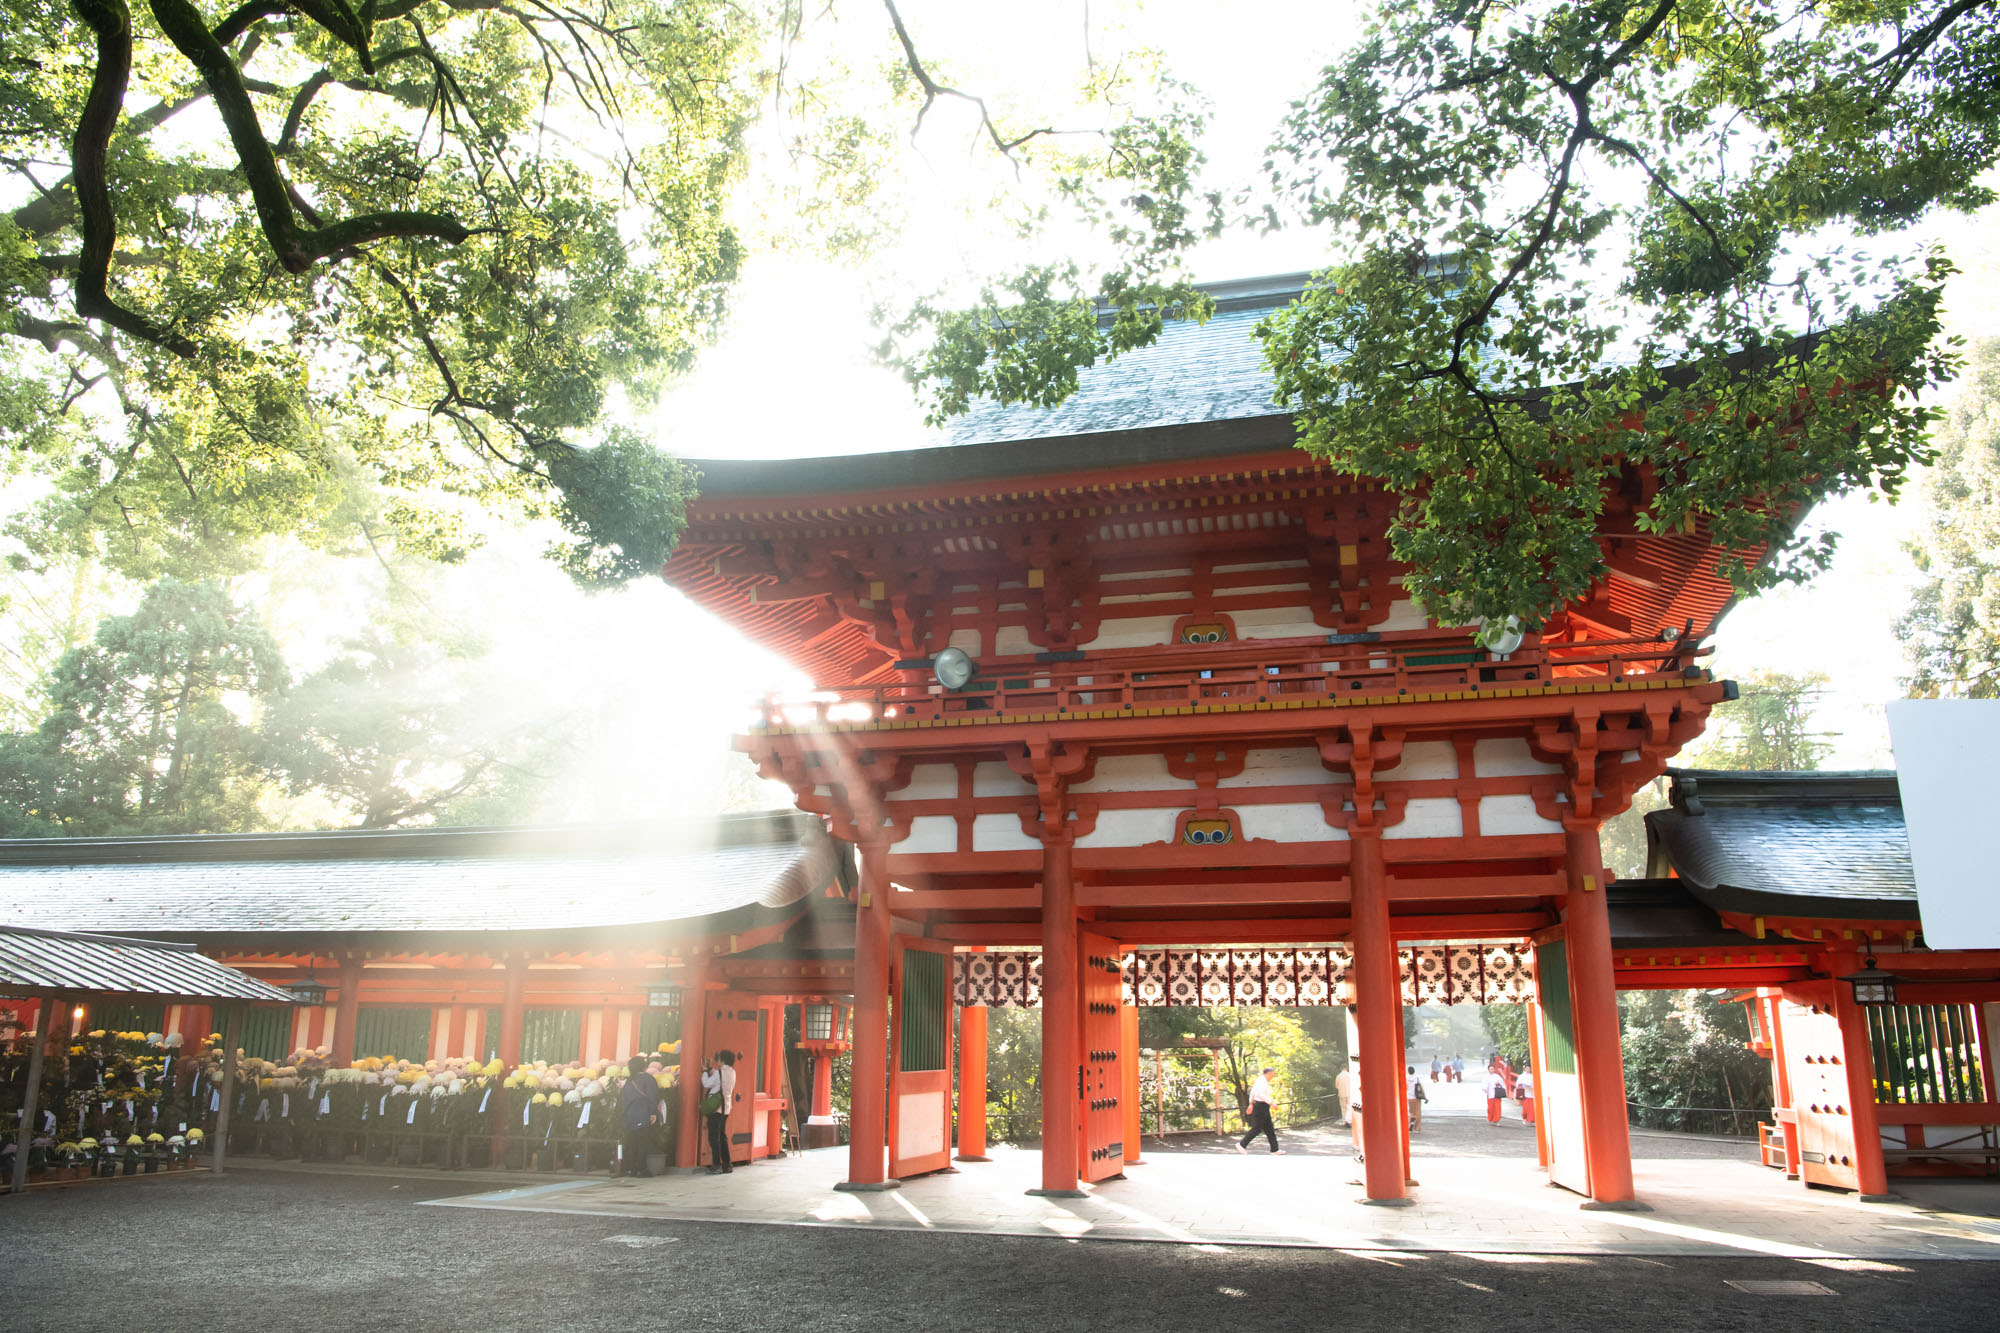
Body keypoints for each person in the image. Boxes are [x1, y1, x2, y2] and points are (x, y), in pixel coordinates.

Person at [617, 1054, 662, 1178]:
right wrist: (653, 1113)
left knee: (632, 1143)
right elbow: (653, 1097)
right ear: (644, 1066)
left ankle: (631, 1169)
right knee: (642, 1143)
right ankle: (641, 1169)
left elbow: (624, 1098)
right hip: (643, 1114)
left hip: (629, 1116)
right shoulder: (648, 1079)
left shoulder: (629, 1081)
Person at [700, 1049, 737, 1173]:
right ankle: (727, 1164)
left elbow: (706, 1083)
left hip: (716, 1108)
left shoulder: (719, 1073)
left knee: (713, 1137)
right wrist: (710, 1069)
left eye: (719, 1058)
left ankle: (716, 1165)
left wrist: (705, 1070)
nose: (718, 1060)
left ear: (722, 1059)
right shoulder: (732, 1072)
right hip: (726, 1108)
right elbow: (719, 1078)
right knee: (722, 1136)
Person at [1236, 1066, 1282, 1154]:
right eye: (1272, 1075)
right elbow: (1260, 1094)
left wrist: (1250, 1104)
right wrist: (1271, 1103)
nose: (1272, 1078)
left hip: (1262, 1106)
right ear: (1268, 1073)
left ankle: (1275, 1149)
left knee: (1269, 1129)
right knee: (1257, 1128)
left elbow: (1253, 1092)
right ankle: (1242, 1144)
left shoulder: (1260, 1080)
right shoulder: (1262, 1082)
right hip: (1261, 1106)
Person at [1334, 1061, 1355, 1127]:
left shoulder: (1338, 1076)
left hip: (1341, 1093)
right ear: (1347, 1068)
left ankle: (1345, 1121)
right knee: (1349, 1107)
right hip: (1349, 1093)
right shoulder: (1350, 1075)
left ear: (1341, 1068)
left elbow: (1336, 1086)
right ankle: (1349, 1120)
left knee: (1343, 1108)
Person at [1406, 1064, 1426, 1133]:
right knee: (1418, 1113)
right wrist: (1425, 1096)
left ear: (1408, 1071)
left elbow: (1405, 1088)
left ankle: (1410, 1125)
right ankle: (1417, 1128)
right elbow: (1421, 1087)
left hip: (1409, 1097)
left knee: (1411, 1112)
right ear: (1414, 1071)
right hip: (1417, 1097)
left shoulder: (1406, 1078)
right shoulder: (1417, 1078)